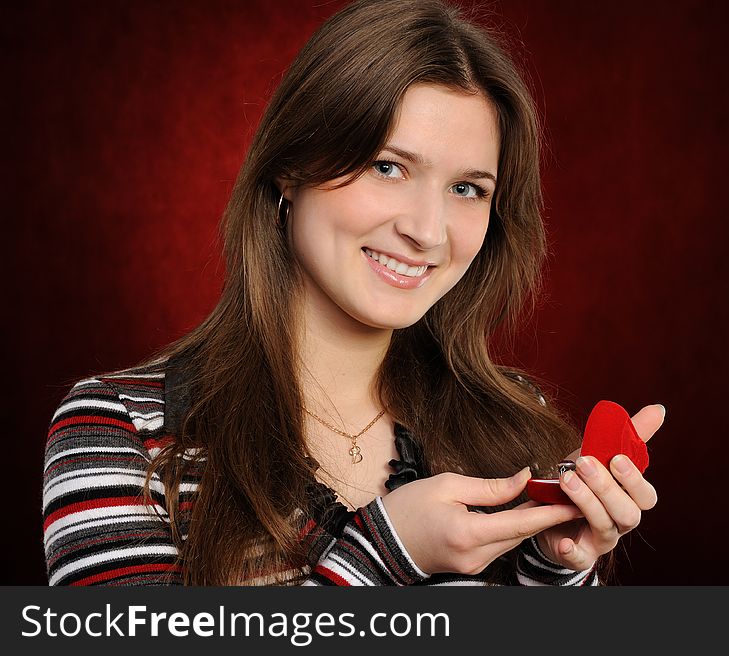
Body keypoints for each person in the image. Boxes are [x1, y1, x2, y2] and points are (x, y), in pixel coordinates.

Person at [42, 0, 663, 586]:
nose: (426, 231)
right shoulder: (119, 431)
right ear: (291, 168)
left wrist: (554, 573)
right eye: (388, 167)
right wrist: (389, 552)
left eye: (468, 189)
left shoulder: (514, 433)